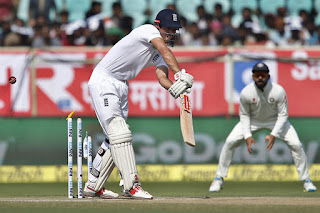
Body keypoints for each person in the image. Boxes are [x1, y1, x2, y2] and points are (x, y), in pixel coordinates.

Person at [83, 9, 194, 199]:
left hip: (122, 85)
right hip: (104, 79)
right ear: (158, 25)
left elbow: (162, 77)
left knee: (115, 139)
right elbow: (165, 50)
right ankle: (131, 186)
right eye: (169, 28)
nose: (172, 33)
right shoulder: (147, 30)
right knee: (119, 132)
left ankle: (93, 185)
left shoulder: (160, 53)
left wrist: (176, 89)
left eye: (175, 30)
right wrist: (180, 74)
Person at [209, 62, 317, 193]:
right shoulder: (246, 93)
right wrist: (248, 136)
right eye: (257, 75)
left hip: (275, 120)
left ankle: (307, 180)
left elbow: (283, 115)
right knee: (230, 142)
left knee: (296, 144)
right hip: (252, 121)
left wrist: (273, 134)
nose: (260, 78)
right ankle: (218, 178)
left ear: (268, 76)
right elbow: (244, 115)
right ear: (253, 76)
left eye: (263, 75)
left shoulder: (278, 91)